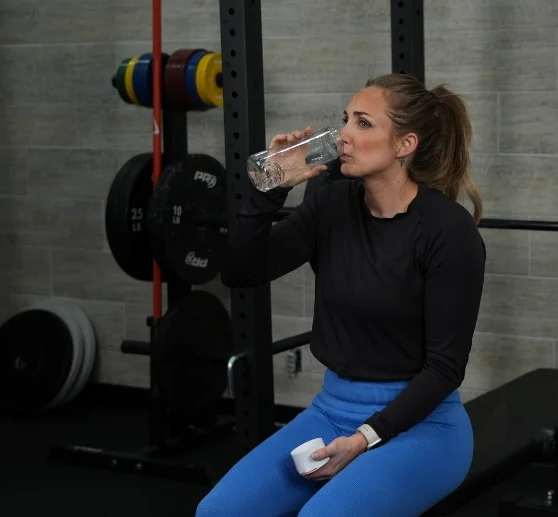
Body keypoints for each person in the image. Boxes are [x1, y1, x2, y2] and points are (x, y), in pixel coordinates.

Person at [196, 73, 486, 517]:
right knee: (218, 512)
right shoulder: (331, 205)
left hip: (424, 426)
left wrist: (365, 438)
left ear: (405, 145)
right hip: (332, 413)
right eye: (345, 119)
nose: (343, 136)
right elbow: (241, 271)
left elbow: (445, 368)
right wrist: (272, 189)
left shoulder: (448, 231)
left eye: (363, 124)